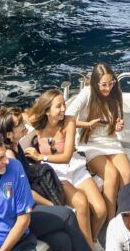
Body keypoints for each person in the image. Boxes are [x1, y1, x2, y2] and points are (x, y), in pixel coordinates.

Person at [0, 105, 91, 251]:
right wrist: (52, 205)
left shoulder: (16, 145)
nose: (24, 126)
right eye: (20, 124)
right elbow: (26, 192)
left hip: (28, 206)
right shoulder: (9, 158)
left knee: (63, 241)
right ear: (9, 134)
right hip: (20, 215)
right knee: (67, 215)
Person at [24, 90, 106, 246]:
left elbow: (67, 156)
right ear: (47, 110)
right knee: (81, 204)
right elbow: (22, 116)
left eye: (64, 105)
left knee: (101, 210)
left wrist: (41, 156)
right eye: (58, 106)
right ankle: (88, 247)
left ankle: (91, 241)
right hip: (56, 173)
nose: (63, 109)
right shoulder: (37, 123)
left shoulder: (69, 122)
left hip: (74, 167)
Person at [67, 64, 130, 220]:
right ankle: (111, 221)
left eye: (111, 83)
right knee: (112, 174)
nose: (108, 88)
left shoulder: (115, 93)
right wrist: (88, 124)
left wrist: (117, 125)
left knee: (127, 173)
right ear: (95, 83)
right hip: (89, 143)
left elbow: (115, 122)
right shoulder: (87, 93)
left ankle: (123, 215)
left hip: (110, 141)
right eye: (104, 85)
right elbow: (68, 117)